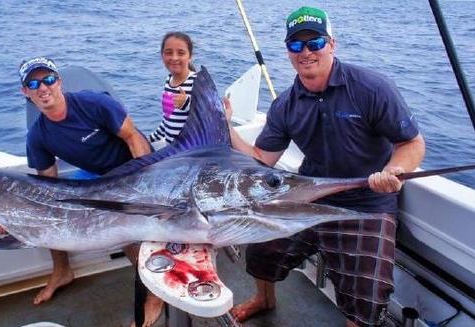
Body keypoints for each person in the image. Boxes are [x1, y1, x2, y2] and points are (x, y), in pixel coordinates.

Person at [225, 6, 426, 327]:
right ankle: (264, 298)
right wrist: (228, 127)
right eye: (295, 45)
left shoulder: (372, 88)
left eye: (314, 42)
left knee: (366, 295)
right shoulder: (286, 105)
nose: (305, 52)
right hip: (312, 195)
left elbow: (412, 144)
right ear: (288, 51)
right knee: (262, 246)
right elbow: (262, 160)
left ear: (332, 43)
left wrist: (395, 171)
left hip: (367, 202)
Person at [0, 57, 156, 317]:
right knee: (48, 214)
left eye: (48, 79)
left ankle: (153, 293)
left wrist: (143, 184)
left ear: (59, 82)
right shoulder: (37, 136)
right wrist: (8, 219)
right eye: (34, 83)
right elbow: (49, 187)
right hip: (93, 177)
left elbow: (134, 137)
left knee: (127, 230)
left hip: (132, 168)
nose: (43, 88)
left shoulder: (95, 103)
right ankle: (62, 271)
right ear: (26, 92)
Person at [149, 32, 197, 144]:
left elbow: (208, 113)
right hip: (173, 151)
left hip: (192, 153)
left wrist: (187, 103)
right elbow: (167, 120)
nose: (174, 58)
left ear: (190, 56)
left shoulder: (197, 81)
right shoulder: (168, 80)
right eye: (168, 53)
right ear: (162, 55)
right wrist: (149, 140)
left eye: (181, 53)